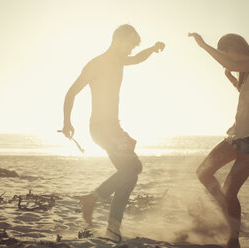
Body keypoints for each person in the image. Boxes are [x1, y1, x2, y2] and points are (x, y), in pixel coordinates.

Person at [62, 24, 165, 242]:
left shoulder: (119, 60)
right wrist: (67, 122)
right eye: (129, 45)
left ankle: (112, 226)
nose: (130, 50)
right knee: (133, 168)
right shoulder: (96, 64)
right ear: (118, 39)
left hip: (112, 127)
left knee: (129, 173)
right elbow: (71, 92)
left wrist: (153, 48)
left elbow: (137, 58)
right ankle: (93, 199)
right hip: (102, 127)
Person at [189, 33, 249, 248]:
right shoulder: (247, 75)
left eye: (225, 52)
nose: (226, 59)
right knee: (203, 172)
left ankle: (233, 240)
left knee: (230, 190)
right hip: (237, 136)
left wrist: (204, 45)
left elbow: (232, 62)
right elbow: (245, 90)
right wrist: (231, 78)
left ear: (235, 47)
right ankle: (227, 209)